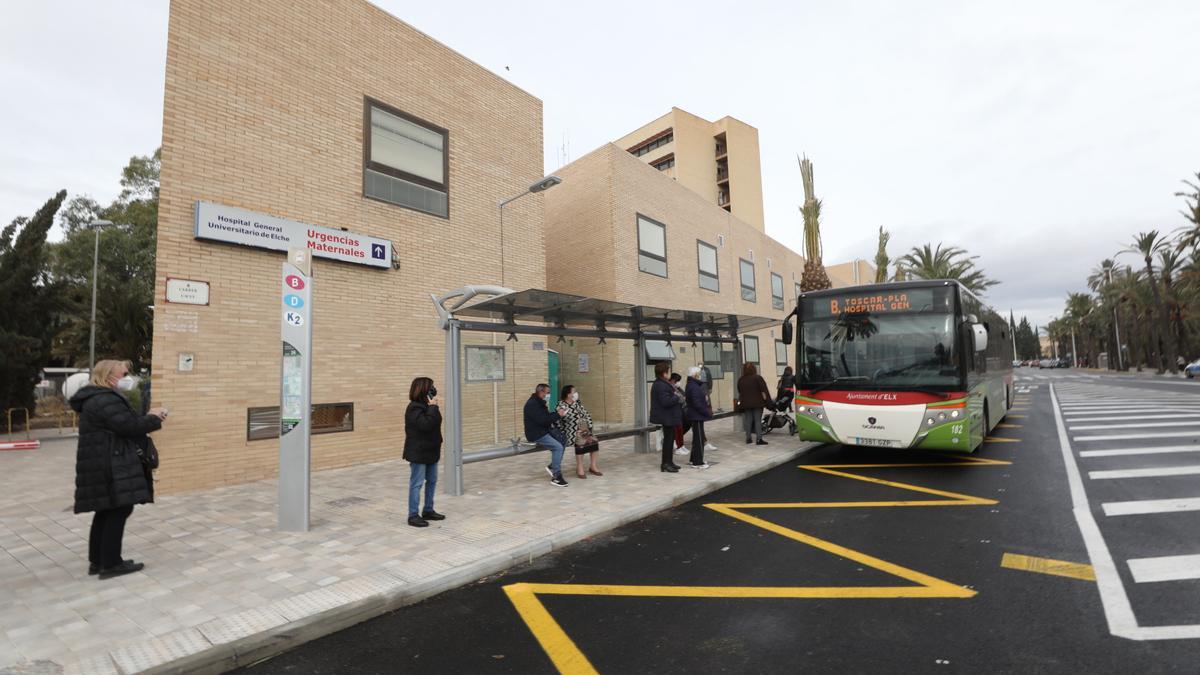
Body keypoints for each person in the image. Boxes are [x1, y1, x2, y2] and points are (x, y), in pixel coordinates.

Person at [71, 359, 167, 579]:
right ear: (109, 376)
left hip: (101, 459)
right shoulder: (105, 398)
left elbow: (121, 422)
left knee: (106, 509)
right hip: (112, 461)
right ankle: (111, 564)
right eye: (123, 374)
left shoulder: (95, 397)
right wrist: (154, 418)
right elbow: (128, 426)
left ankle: (98, 561)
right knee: (119, 508)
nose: (126, 379)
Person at [404, 377, 445, 528]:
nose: (433, 389)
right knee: (417, 483)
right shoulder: (414, 408)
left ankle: (428, 510)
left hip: (431, 450)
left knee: (432, 481)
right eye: (431, 387)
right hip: (419, 452)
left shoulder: (428, 405)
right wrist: (433, 407)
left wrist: (433, 406)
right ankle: (413, 515)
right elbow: (425, 425)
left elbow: (435, 423)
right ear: (423, 389)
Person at [524, 383, 569, 487]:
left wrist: (557, 413)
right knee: (557, 447)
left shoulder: (539, 402)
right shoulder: (533, 404)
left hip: (544, 430)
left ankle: (553, 466)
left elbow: (546, 417)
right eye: (547, 393)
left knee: (562, 441)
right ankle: (556, 476)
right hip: (536, 434)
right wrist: (558, 415)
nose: (549, 395)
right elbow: (543, 420)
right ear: (541, 392)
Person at [557, 385, 602, 479]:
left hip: (585, 430)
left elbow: (586, 414)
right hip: (571, 431)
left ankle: (593, 466)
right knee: (580, 442)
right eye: (574, 392)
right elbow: (562, 418)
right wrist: (577, 428)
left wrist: (588, 428)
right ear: (568, 394)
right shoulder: (561, 404)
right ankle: (579, 467)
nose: (575, 393)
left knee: (594, 441)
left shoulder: (577, 403)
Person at [649, 361, 683, 472]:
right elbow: (665, 401)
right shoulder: (661, 385)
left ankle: (669, 462)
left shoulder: (662, 383)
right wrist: (676, 397)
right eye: (667, 371)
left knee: (670, 439)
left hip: (668, 417)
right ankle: (665, 464)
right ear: (664, 373)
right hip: (666, 417)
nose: (668, 373)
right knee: (668, 441)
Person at [736, 362, 772, 445]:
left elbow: (739, 391)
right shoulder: (758, 378)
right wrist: (768, 402)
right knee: (757, 421)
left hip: (746, 404)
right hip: (757, 403)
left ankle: (748, 438)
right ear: (754, 369)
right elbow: (764, 391)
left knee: (748, 420)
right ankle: (759, 439)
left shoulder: (741, 379)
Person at [684, 366, 713, 469]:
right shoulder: (694, 387)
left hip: (695, 415)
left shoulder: (691, 385)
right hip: (697, 416)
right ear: (695, 375)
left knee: (696, 439)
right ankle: (698, 462)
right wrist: (707, 412)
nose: (700, 376)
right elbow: (697, 403)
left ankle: (693, 459)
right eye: (699, 374)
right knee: (699, 439)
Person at [669, 372, 689, 456]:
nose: (678, 383)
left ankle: (681, 445)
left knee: (681, 428)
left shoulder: (677, 388)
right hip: (673, 412)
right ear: (673, 380)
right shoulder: (670, 387)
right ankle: (678, 447)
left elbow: (684, 396)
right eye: (677, 381)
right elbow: (680, 399)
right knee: (677, 429)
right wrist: (681, 397)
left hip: (680, 411)